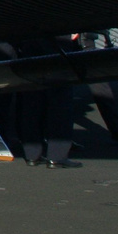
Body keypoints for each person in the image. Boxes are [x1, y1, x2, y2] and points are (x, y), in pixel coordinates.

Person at [15, 37, 80, 167]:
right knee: (60, 98)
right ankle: (57, 155)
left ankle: (32, 154)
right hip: (57, 34)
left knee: (32, 98)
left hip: (29, 35)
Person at [77, 31, 118, 146]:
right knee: (60, 92)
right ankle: (60, 138)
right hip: (72, 40)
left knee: (101, 89)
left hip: (82, 40)